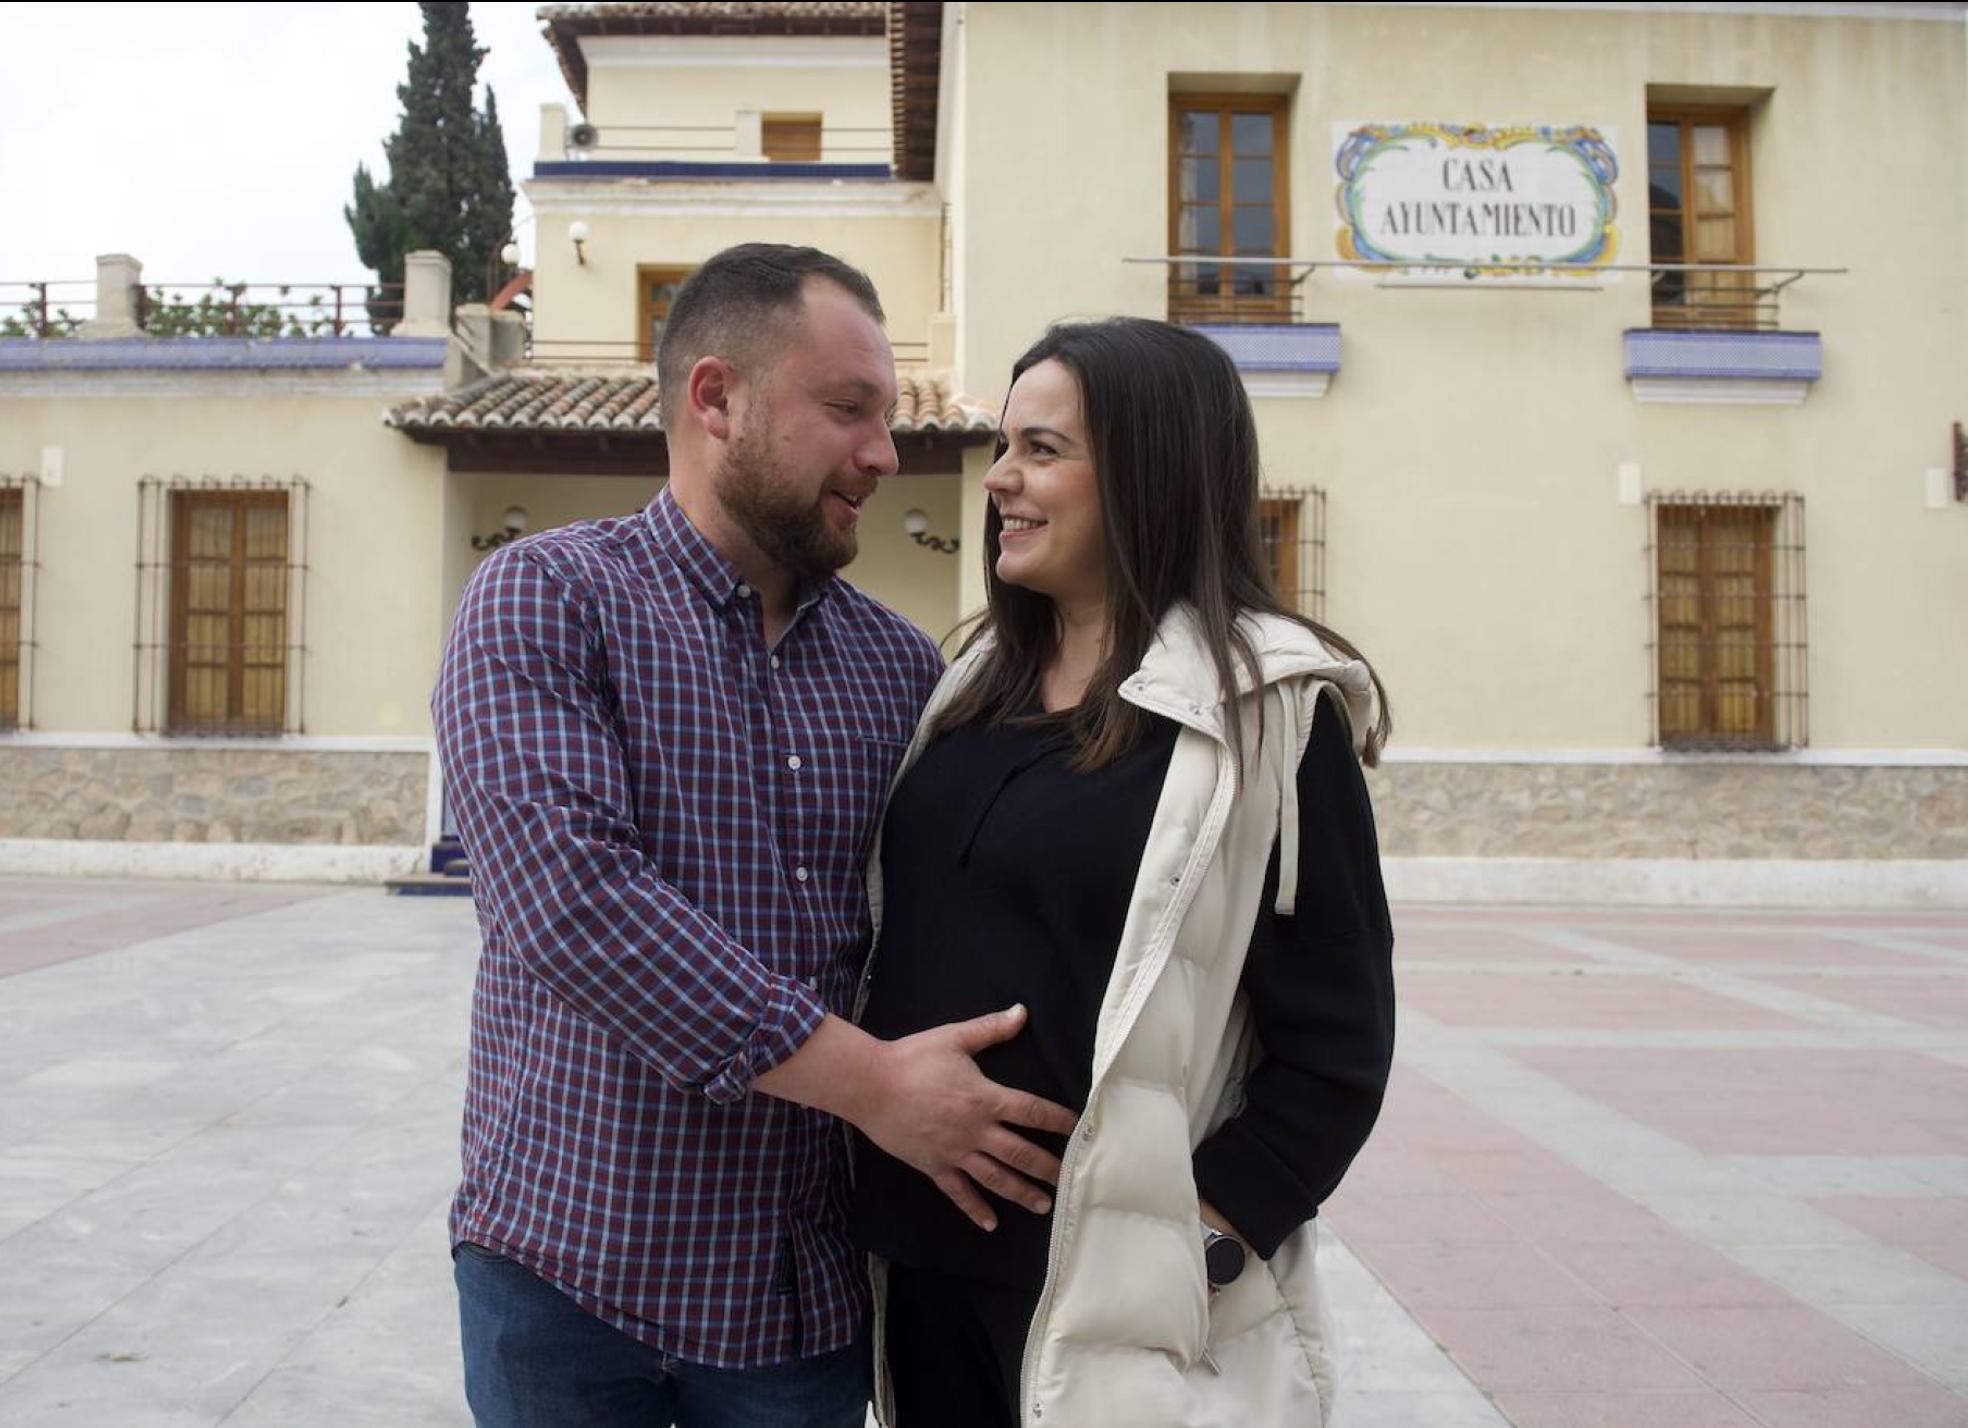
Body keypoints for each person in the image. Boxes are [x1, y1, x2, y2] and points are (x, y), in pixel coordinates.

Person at [433, 243, 1077, 1428]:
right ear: (716, 398)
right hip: (570, 1277)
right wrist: (877, 1085)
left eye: (888, 419)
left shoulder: (898, 667)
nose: (884, 455)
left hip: (798, 1301)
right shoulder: (546, 599)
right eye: (848, 412)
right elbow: (572, 907)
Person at [849, 317, 1398, 1427]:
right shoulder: (965, 692)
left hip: (1108, 1316)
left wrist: (1198, 1244)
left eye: (1042, 450)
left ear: (1150, 471)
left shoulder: (1272, 717)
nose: (1001, 478)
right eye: (1006, 447)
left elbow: (1339, 1046)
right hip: (914, 1285)